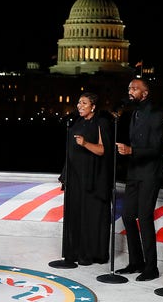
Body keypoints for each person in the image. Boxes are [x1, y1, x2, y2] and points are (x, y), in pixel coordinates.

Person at [49, 92, 114, 268]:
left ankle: (91, 253)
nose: (79, 105)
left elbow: (103, 150)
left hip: (92, 179)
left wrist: (85, 143)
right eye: (78, 102)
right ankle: (73, 252)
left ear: (93, 106)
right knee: (75, 214)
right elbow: (70, 152)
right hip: (75, 178)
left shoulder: (101, 122)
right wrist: (65, 174)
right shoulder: (76, 123)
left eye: (84, 103)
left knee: (89, 216)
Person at [115, 78, 163, 281]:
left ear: (145, 93)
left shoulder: (156, 113)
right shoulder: (133, 112)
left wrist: (131, 150)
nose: (130, 91)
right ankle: (136, 262)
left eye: (134, 88)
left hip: (150, 173)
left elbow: (156, 148)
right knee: (127, 216)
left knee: (144, 218)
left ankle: (151, 267)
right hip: (134, 171)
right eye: (129, 88)